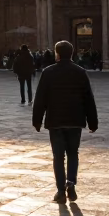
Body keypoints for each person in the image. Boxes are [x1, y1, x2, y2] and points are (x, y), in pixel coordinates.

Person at [32, 40, 98, 204]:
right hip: (75, 120)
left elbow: (40, 98)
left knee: (58, 156)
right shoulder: (80, 72)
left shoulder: (48, 72)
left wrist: (37, 120)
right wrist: (93, 122)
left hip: (55, 120)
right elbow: (88, 98)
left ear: (57, 54)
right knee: (73, 153)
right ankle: (71, 183)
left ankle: (61, 191)